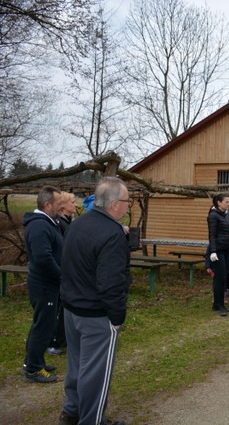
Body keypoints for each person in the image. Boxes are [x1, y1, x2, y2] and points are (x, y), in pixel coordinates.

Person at [58, 177, 131, 425]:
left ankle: (71, 412)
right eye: (126, 201)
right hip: (96, 315)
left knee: (78, 366)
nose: (128, 205)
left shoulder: (78, 224)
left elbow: (67, 265)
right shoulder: (112, 234)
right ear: (113, 204)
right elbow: (111, 283)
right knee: (96, 374)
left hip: (71, 309)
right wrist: (117, 317)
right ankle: (91, 420)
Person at [22, 186, 63, 383]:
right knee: (43, 327)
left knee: (42, 324)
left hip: (48, 284)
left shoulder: (48, 223)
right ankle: (33, 369)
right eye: (58, 203)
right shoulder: (39, 226)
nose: (60, 206)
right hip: (44, 284)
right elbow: (43, 258)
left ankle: (34, 360)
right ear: (47, 204)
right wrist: (61, 276)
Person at [47, 192, 78, 356]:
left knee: (65, 306)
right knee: (58, 307)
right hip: (60, 270)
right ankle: (53, 341)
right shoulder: (59, 224)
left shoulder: (69, 221)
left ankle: (62, 338)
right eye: (72, 202)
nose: (76, 205)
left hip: (69, 270)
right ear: (63, 205)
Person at [205, 194, 229, 317]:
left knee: (223, 277)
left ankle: (217, 304)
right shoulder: (213, 216)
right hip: (218, 251)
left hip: (226, 250)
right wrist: (213, 251)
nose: (228, 203)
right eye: (226, 202)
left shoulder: (226, 215)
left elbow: (228, 234)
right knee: (220, 278)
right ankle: (220, 305)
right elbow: (212, 235)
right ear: (219, 203)